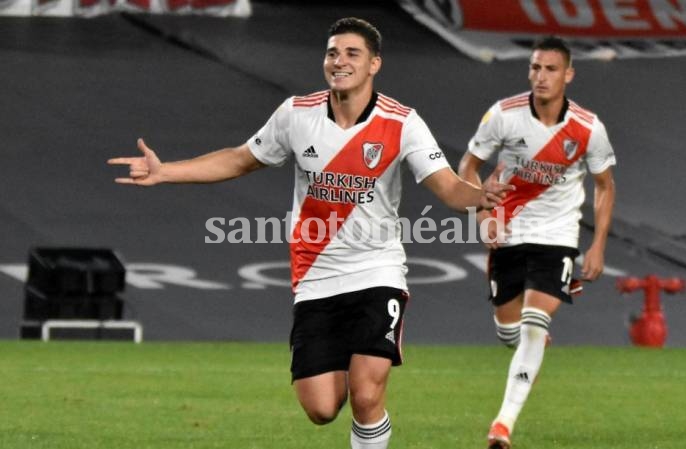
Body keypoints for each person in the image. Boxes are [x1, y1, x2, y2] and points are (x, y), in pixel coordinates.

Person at [108, 17, 509, 449]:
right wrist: (166, 171)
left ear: (374, 64)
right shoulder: (296, 114)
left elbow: (447, 186)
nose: (339, 61)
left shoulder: (402, 123)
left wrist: (477, 196)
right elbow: (240, 159)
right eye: (332, 52)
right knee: (320, 408)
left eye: (351, 53)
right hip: (315, 275)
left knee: (367, 392)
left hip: (377, 270)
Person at [458, 36, 616, 449]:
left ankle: (502, 425)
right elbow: (469, 165)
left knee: (532, 325)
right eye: (534, 68)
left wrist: (597, 243)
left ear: (568, 75)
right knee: (509, 333)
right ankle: (530, 340)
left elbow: (604, 186)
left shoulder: (587, 127)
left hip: (558, 237)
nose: (540, 76)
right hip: (508, 233)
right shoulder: (504, 115)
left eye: (549, 69)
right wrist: (482, 212)